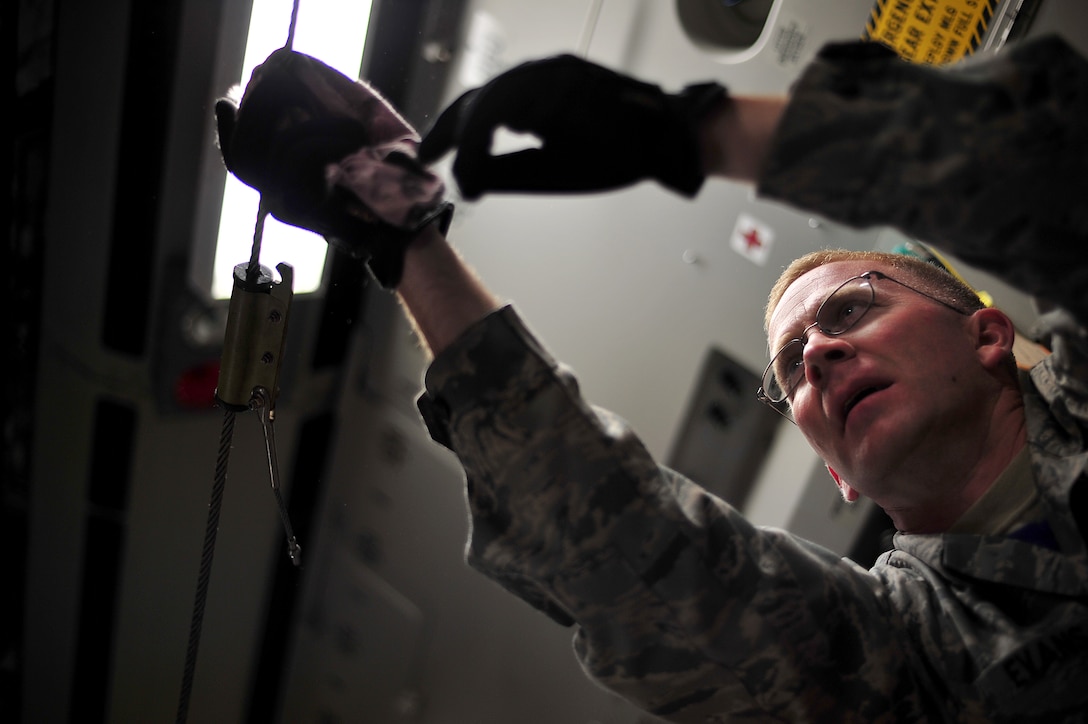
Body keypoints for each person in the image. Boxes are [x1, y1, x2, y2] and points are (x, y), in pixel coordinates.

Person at [215, 33, 1088, 722]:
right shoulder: (903, 655)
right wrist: (401, 240)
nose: (816, 356)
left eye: (851, 311)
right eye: (792, 371)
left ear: (987, 331)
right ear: (837, 475)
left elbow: (1057, 171)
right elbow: (644, 562)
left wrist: (683, 131)